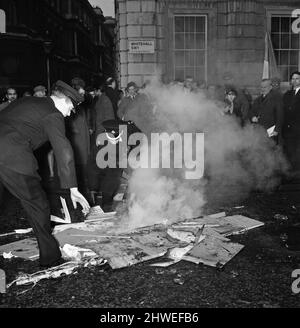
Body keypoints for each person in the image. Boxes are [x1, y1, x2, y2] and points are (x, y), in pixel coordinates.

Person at [0, 80, 90, 268]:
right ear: (65, 102)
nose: (70, 114)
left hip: (6, 149)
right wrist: (72, 188)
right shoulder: (53, 114)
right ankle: (51, 258)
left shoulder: (31, 102)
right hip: (11, 155)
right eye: (72, 109)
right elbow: (63, 149)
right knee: (38, 204)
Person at [250, 79, 284, 144]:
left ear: (270, 87)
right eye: (261, 87)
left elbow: (280, 115)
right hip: (259, 130)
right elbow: (251, 111)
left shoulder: (277, 98)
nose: (263, 89)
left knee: (271, 150)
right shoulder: (258, 99)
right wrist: (252, 117)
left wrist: (277, 129)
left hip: (271, 131)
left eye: (265, 87)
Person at [283, 71, 300, 173]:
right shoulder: (287, 94)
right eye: (293, 79)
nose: (294, 81)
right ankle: (292, 172)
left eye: (297, 78)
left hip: (298, 128)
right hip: (288, 129)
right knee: (289, 151)